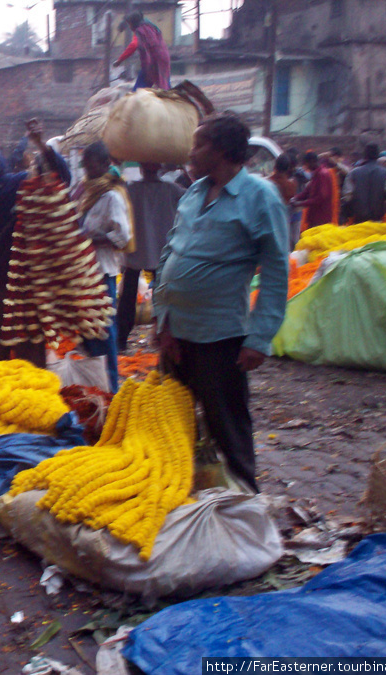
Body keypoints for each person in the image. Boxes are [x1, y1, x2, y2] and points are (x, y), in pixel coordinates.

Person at [152, 112, 288, 492]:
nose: (190, 152)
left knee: (226, 422)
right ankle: (188, 497)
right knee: (174, 421)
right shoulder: (194, 192)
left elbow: (277, 272)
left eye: (198, 144)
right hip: (176, 333)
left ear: (224, 150)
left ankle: (245, 502)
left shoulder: (260, 197)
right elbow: (170, 253)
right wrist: (161, 320)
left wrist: (259, 338)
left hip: (220, 337)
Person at [0, 119, 71, 367]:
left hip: (27, 285)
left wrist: (39, 144)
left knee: (29, 350)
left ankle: (31, 396)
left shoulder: (19, 184)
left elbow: (60, 177)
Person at [76, 142, 133, 393]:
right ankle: (93, 383)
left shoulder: (112, 196)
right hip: (84, 272)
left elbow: (122, 236)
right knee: (88, 329)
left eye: (92, 165)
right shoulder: (87, 193)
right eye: (85, 165)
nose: (87, 170)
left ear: (104, 165)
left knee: (104, 330)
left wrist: (89, 240)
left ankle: (110, 386)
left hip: (101, 272)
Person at [121, 162, 184, 352]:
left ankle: (121, 340)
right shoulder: (172, 190)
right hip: (162, 250)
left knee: (128, 295)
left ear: (141, 168)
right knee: (162, 296)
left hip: (136, 250)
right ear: (160, 169)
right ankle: (163, 336)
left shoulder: (130, 189)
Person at [112, 10, 171, 90]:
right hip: (164, 58)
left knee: (139, 89)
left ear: (133, 23)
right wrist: (124, 23)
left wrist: (119, 60)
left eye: (129, 24)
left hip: (152, 61)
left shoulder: (140, 30)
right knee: (165, 85)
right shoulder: (149, 25)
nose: (129, 27)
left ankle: (135, 99)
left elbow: (133, 45)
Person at [343, 143, 386, 223]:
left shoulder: (354, 173)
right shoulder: (385, 172)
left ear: (365, 156)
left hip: (358, 218)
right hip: (378, 217)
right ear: (377, 157)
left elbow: (347, 196)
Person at [292, 151, 334, 229]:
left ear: (312, 162)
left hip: (321, 218)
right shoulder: (316, 174)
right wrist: (295, 198)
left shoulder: (322, 174)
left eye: (306, 164)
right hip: (315, 217)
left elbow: (321, 198)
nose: (306, 167)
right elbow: (307, 191)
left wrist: (301, 203)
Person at [268, 153, 300, 249]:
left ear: (275, 166)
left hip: (268, 220)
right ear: (288, 169)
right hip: (283, 220)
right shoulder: (291, 185)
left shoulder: (266, 183)